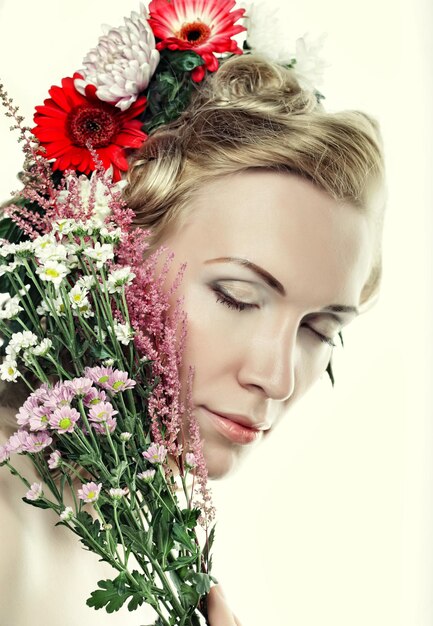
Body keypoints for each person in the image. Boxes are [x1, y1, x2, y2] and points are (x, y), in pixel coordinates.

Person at [0, 52, 385, 625]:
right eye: (237, 296)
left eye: (319, 329)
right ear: (100, 248)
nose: (276, 379)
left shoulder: (129, 523)